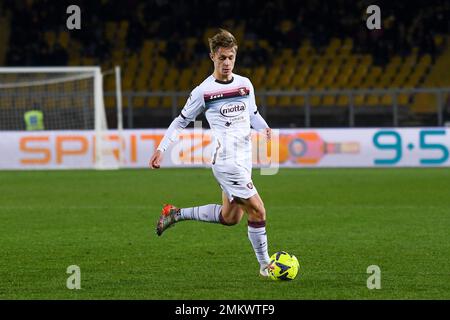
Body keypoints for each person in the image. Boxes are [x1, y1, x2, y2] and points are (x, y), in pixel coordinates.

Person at [149, 29, 273, 278]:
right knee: (258, 211)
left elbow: (252, 115)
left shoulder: (245, 84)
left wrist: (265, 128)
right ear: (212, 57)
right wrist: (161, 148)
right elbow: (180, 121)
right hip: (226, 162)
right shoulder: (203, 91)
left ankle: (175, 214)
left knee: (230, 218)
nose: (227, 63)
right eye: (221, 58)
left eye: (230, 57)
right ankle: (265, 266)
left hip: (244, 159)